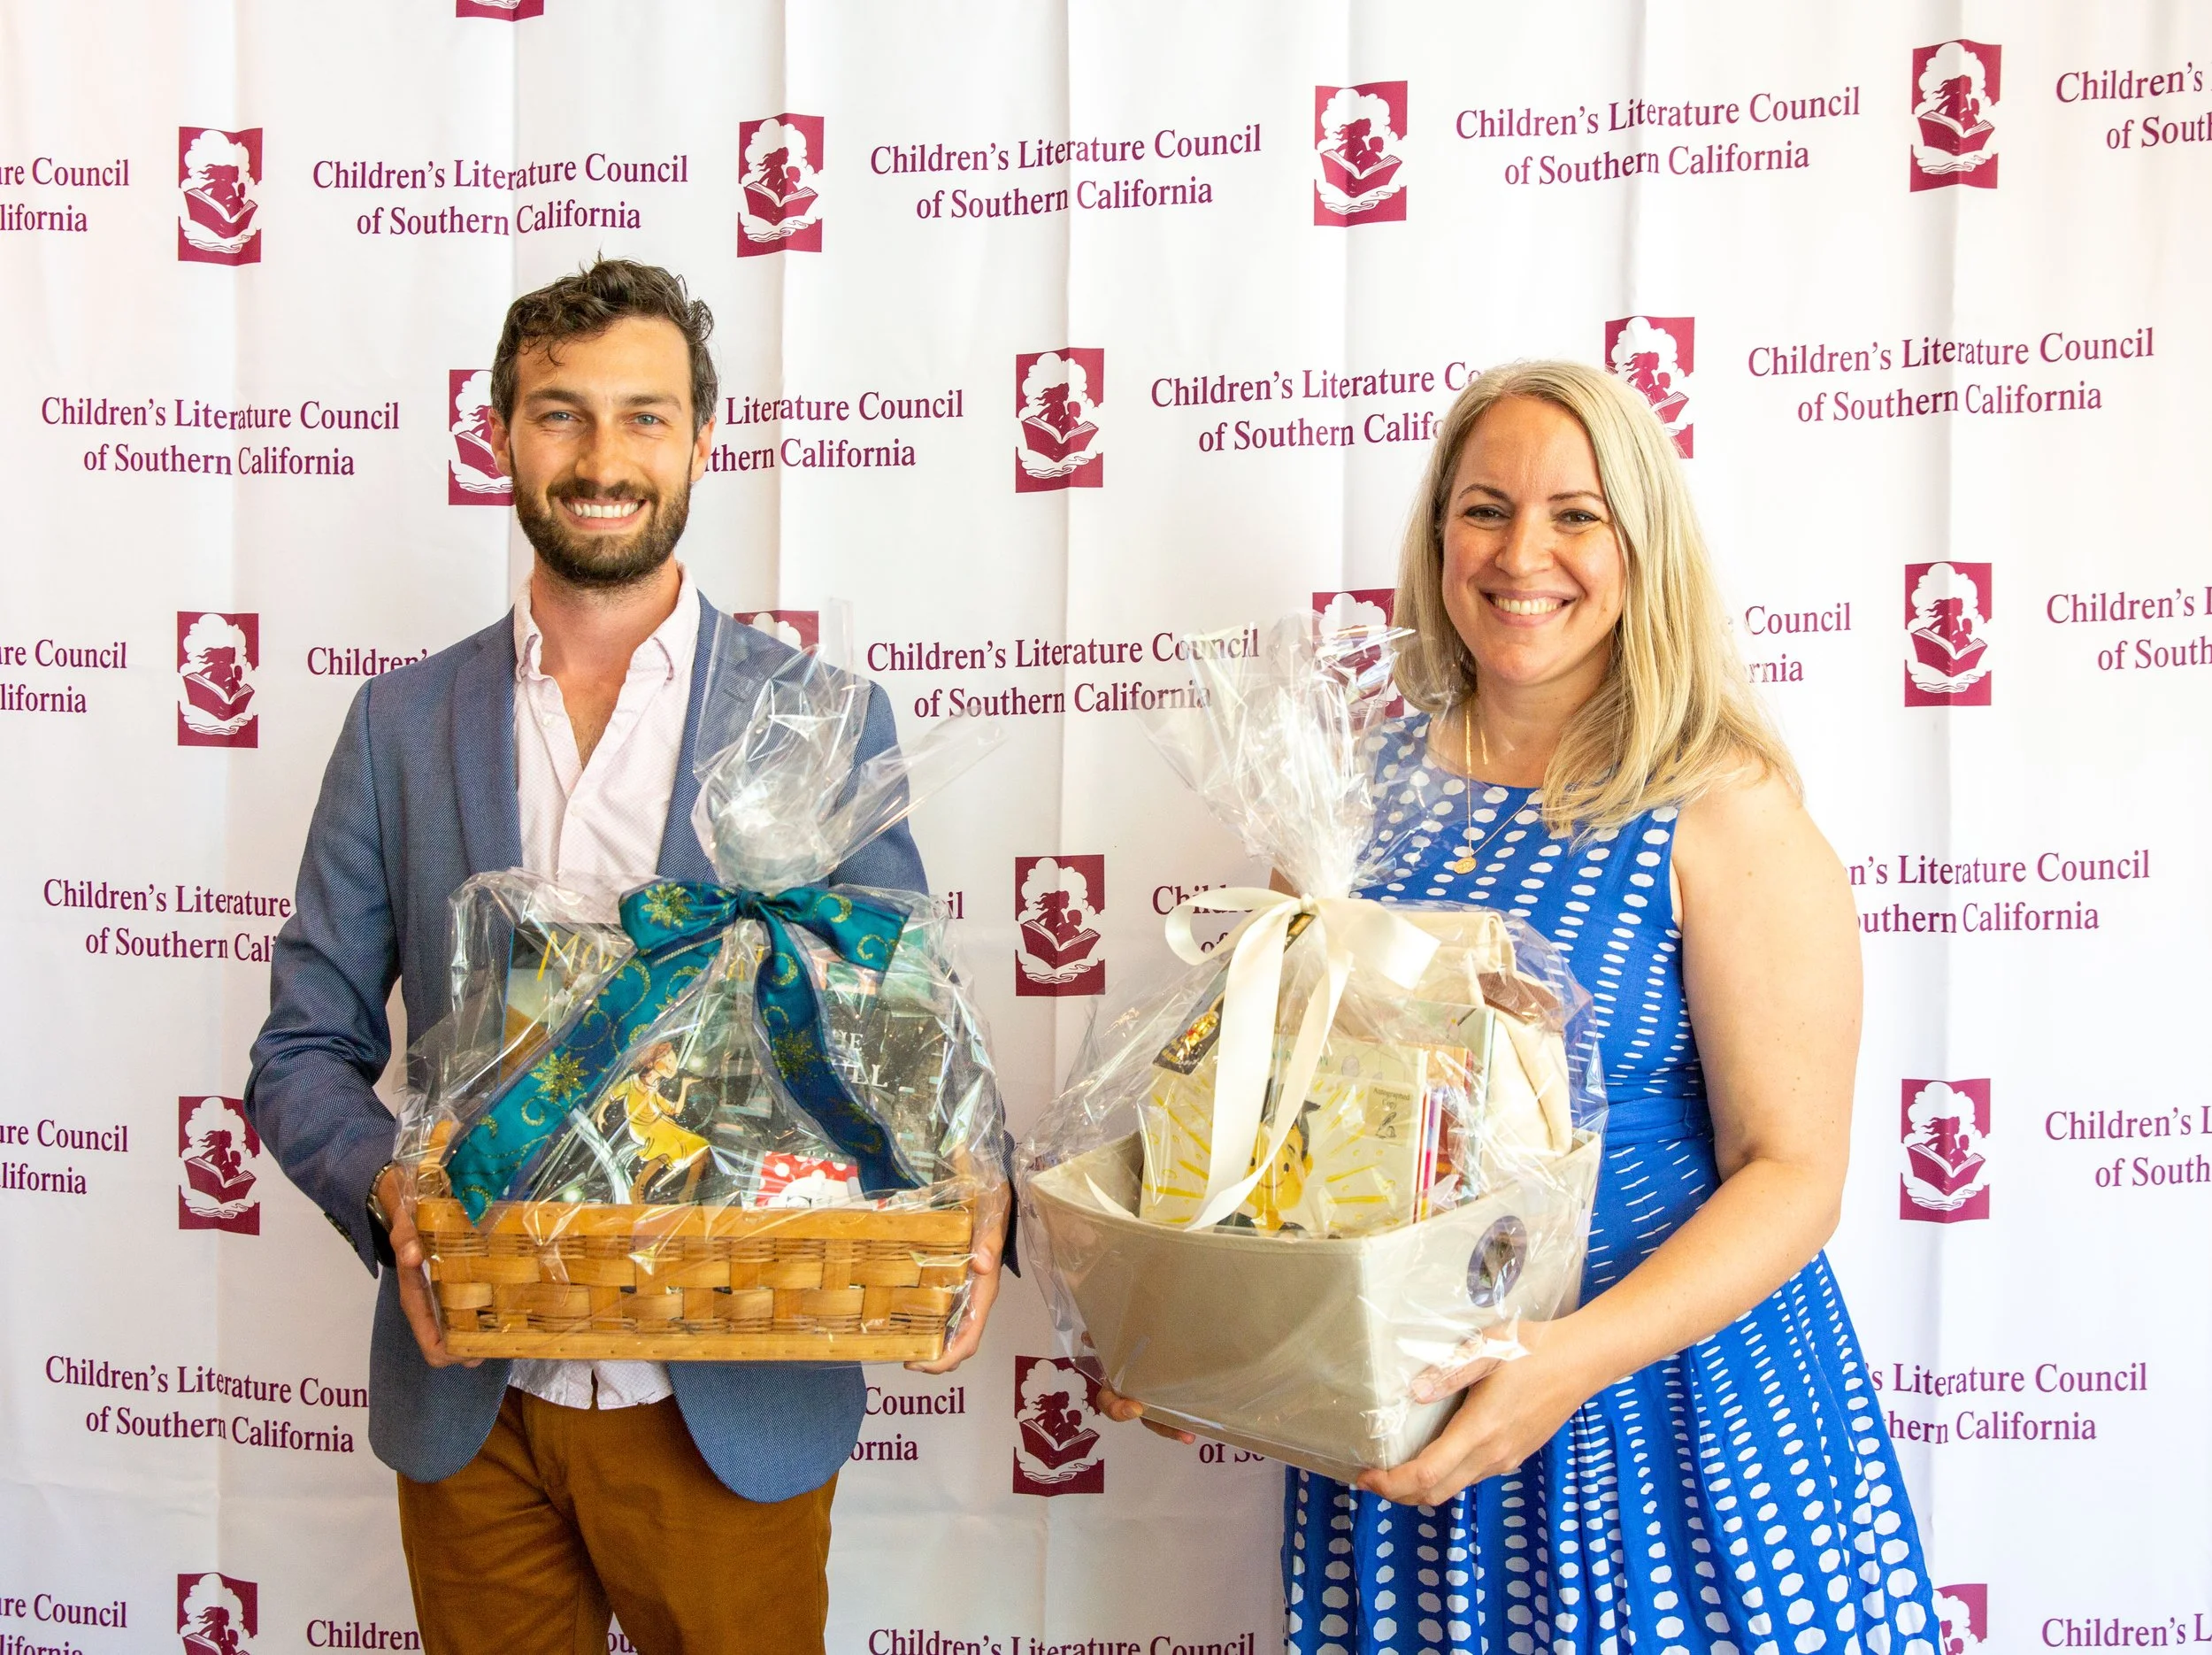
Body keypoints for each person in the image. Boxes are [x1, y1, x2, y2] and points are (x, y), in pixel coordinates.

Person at [1101, 360, 1944, 1655]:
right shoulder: (1340, 802)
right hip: (1407, 1424)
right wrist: (1190, 1312)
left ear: (1639, 543)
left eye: (1576, 515)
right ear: (1438, 535)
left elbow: (1794, 1174)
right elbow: (1274, 1126)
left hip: (1665, 1422)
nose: (1521, 552)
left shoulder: (1723, 810)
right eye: (1484, 507)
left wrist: (1563, 1362)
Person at [246, 258, 1001, 1655]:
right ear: (498, 437)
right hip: (471, 1394)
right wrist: (392, 1195)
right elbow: (300, 1053)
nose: (603, 460)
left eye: (645, 417)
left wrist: (973, 1177)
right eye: (561, 415)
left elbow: (910, 1035)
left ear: (705, 439)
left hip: (729, 1398)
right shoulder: (398, 729)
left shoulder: (816, 716)